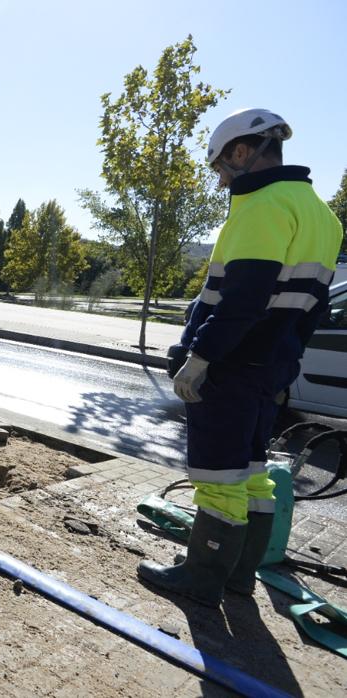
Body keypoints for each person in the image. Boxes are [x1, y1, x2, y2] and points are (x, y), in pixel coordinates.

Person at [141, 108, 344, 607]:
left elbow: (243, 299)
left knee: (218, 476)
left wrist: (200, 357)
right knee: (253, 473)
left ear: (241, 151)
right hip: (269, 366)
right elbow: (308, 311)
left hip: (231, 365)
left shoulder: (262, 206)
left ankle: (202, 578)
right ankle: (238, 577)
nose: (222, 178)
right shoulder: (321, 214)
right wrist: (286, 366)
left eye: (220, 167)